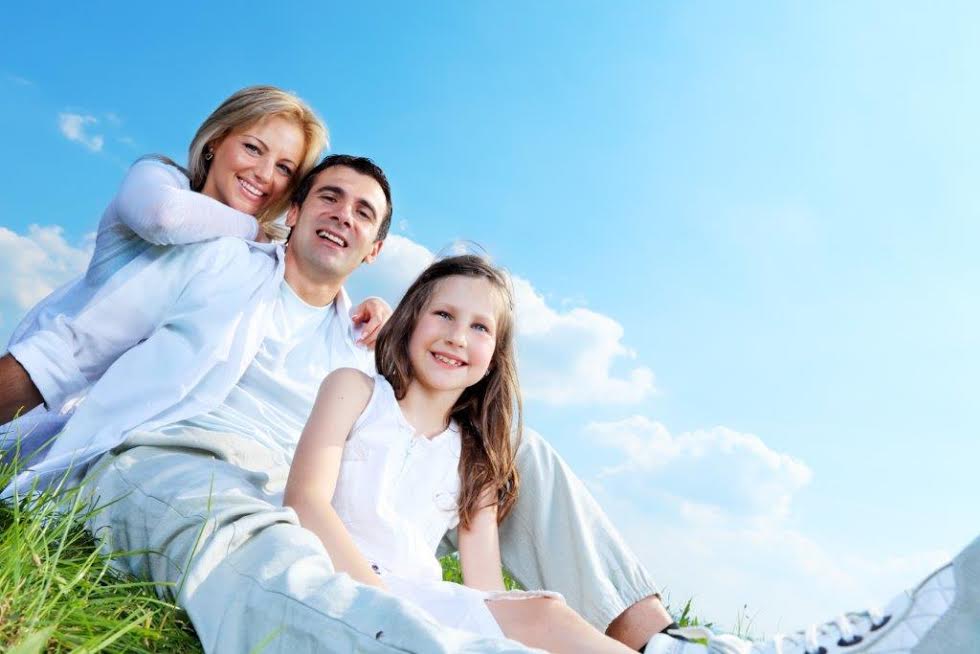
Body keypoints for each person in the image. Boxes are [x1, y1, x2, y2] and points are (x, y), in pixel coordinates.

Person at [2, 156, 976, 653]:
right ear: (288, 211)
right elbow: (67, 346)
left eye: (366, 214)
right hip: (196, 455)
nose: (343, 217)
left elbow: (411, 389)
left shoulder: (349, 335)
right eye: (327, 198)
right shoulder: (210, 265)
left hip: (323, 458)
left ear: (378, 248)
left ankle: (654, 637)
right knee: (251, 546)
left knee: (514, 449)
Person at [284, 254, 638, 652]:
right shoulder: (354, 391)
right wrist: (384, 607)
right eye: (444, 314)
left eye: (480, 327)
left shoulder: (474, 456)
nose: (457, 337)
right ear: (411, 320)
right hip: (340, 578)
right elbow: (305, 500)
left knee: (542, 616)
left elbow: (484, 589)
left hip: (421, 600)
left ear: (492, 360)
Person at [0, 86, 388, 448]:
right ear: (215, 141)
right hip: (40, 386)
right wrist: (255, 231)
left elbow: (312, 276)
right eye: (253, 148)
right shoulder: (162, 180)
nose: (265, 175)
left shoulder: (253, 255)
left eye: (285, 168)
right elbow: (165, 217)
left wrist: (361, 310)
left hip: (119, 416)